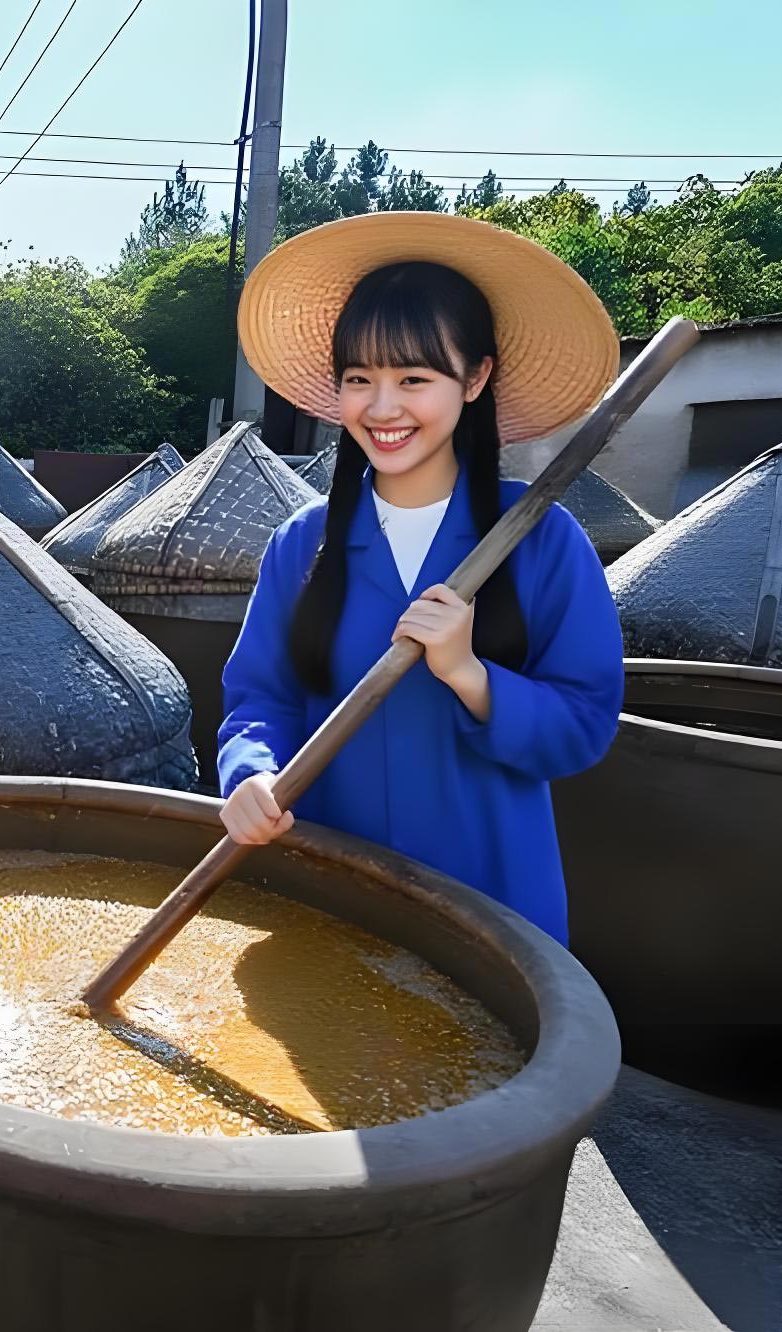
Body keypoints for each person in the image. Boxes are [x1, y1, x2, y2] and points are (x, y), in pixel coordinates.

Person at [216, 212, 625, 944]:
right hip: (326, 898)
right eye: (359, 379)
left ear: (475, 378)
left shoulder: (541, 542)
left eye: (414, 378)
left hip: (492, 908)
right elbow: (260, 700)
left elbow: (583, 727)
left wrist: (471, 676)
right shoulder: (301, 546)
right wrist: (249, 773)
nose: (382, 407)